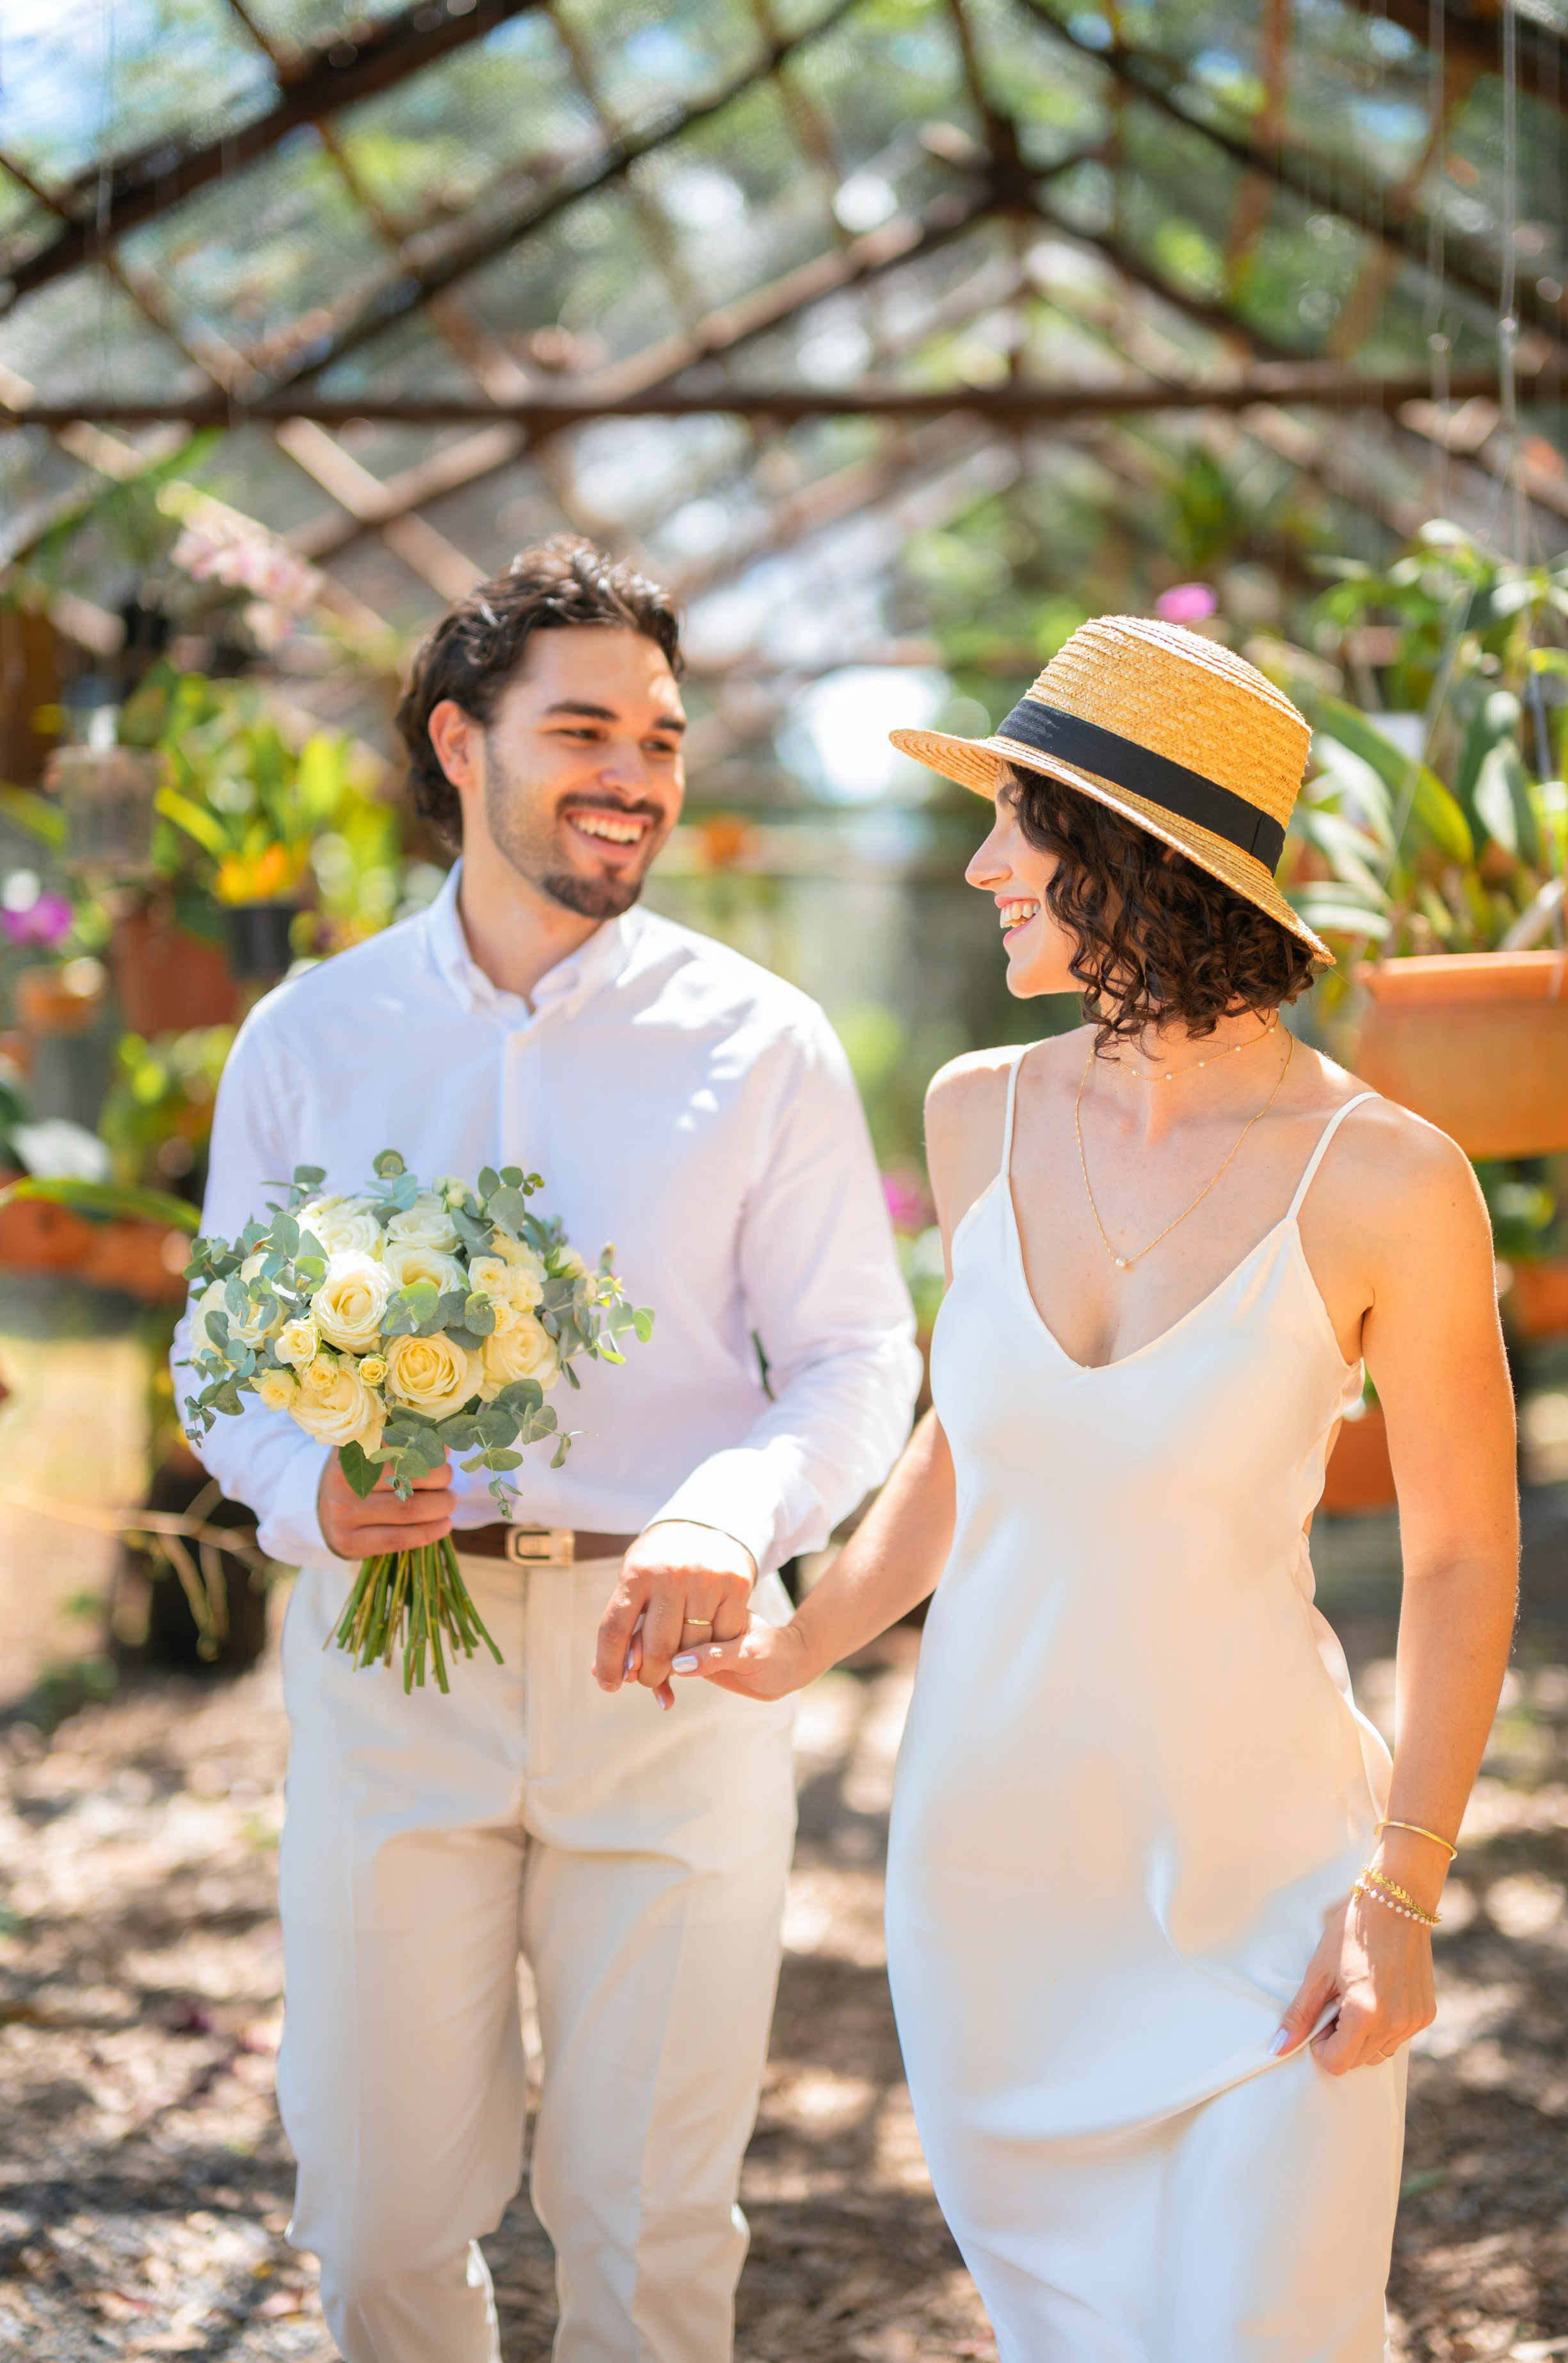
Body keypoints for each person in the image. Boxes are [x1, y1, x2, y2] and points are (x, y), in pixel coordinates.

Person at [669, 617, 1519, 2360]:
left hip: (1270, 1888)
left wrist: (1402, 1888)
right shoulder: (973, 1113)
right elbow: (967, 1447)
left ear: (1131, 859)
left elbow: (1459, 1558)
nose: (982, 864)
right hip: (996, 1894)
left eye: (1020, 823)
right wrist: (803, 1639)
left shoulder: (1389, 1181)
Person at [175, 536, 921, 2363]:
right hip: (384, 1667)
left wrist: (727, 1517)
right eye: (583, 729)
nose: (633, 778)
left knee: (654, 2227)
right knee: (376, 2218)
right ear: (459, 742)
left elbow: (853, 1356)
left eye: (661, 740)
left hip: (669, 1679)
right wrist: (308, 1485)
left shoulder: (763, 1044)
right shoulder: (308, 1038)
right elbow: (218, 1351)